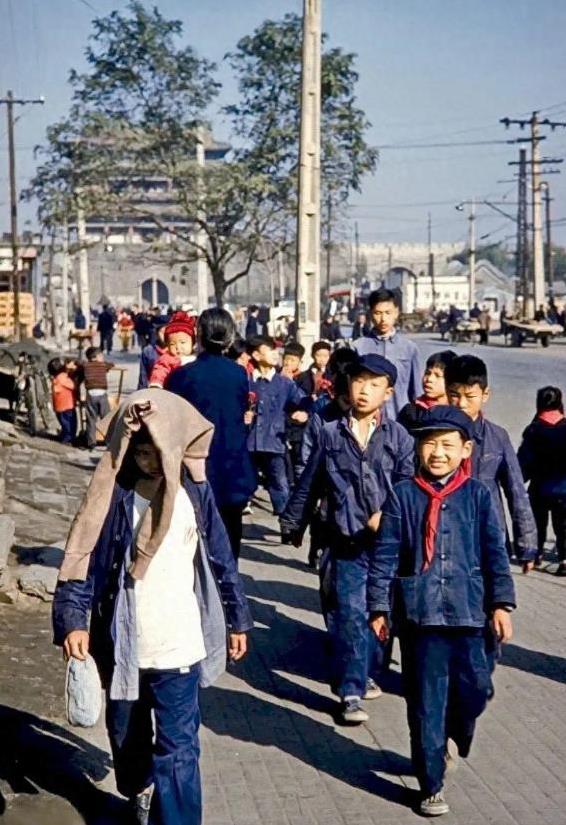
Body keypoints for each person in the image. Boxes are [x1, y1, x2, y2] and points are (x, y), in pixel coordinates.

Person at [52, 390, 252, 825]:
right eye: (142, 452)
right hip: (123, 644)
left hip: (178, 645)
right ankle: (139, 790)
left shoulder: (195, 495)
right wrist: (73, 620)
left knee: (180, 748)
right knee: (127, 737)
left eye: (159, 451)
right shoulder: (111, 497)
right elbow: (84, 560)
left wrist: (238, 618)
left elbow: (221, 557)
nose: (152, 461)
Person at [368, 405, 515, 817]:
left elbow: (495, 553)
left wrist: (501, 604)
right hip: (421, 616)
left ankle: (456, 733)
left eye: (447, 445)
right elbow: (385, 556)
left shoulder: (478, 496)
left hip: (470, 613)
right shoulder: (403, 494)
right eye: (429, 444)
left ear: (466, 450)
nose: (438, 453)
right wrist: (378, 606)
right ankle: (430, 782)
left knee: (476, 689)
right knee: (426, 703)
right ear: (418, 448)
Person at [281, 354, 415, 723]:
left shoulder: (400, 437)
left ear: (388, 393)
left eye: (375, 384)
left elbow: (408, 488)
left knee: (379, 615)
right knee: (350, 615)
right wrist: (293, 523)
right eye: (359, 382)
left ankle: (368, 670)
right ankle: (350, 692)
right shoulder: (330, 434)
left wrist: (388, 516)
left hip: (387, 547)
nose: (364, 391)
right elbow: (310, 482)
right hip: (345, 542)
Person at [167, 309, 257, 562]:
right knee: (229, 541)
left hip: (193, 467)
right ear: (229, 337)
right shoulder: (239, 374)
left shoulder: (181, 376)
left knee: (193, 541)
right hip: (232, 466)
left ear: (198, 335)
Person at [445, 355, 537, 568]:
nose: (462, 404)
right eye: (454, 395)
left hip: (489, 537)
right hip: (446, 538)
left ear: (485, 394)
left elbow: (516, 492)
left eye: (470, 396)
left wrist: (527, 545)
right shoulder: (433, 437)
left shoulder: (497, 437)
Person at [247, 335, 307, 516]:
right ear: (256, 355)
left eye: (276, 350)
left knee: (279, 482)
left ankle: (285, 519)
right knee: (245, 479)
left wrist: (304, 413)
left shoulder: (285, 383)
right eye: (270, 350)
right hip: (248, 441)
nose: (275, 354)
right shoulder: (247, 381)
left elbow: (304, 402)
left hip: (274, 441)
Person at [517, 386, 566, 575]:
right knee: (563, 526)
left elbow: (524, 461)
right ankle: (564, 560)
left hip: (539, 489)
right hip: (564, 489)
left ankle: (536, 555)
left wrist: (517, 481)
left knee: (538, 523)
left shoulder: (533, 430)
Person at [353, 288, 420, 419]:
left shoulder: (409, 348)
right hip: (368, 420)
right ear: (370, 314)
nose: (383, 319)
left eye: (388, 313)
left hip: (401, 420)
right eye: (378, 313)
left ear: (396, 312)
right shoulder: (358, 348)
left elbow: (416, 392)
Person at [398, 350, 457, 433]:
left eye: (437, 375)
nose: (429, 379)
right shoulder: (410, 412)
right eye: (427, 373)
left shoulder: (457, 412)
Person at [79, 346, 114, 450]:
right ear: (96, 357)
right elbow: (111, 364)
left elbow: (79, 364)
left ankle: (91, 442)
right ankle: (109, 441)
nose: (102, 357)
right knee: (106, 419)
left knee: (91, 419)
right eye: (101, 356)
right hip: (102, 394)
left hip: (90, 395)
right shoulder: (103, 365)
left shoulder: (85, 366)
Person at [149, 312, 196, 388]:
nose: (178, 347)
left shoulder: (198, 357)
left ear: (192, 342)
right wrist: (156, 383)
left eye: (183, 342)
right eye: (172, 344)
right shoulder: (167, 359)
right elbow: (160, 370)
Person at [48, 357, 78, 444]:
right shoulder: (62, 377)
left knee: (65, 423)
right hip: (67, 405)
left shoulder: (56, 378)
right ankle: (67, 439)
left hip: (60, 406)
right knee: (70, 424)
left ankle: (65, 436)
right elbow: (73, 386)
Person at [138, 325, 167, 390]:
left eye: (167, 332)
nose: (165, 335)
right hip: (153, 389)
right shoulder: (148, 351)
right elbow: (143, 376)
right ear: (157, 334)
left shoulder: (176, 351)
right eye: (162, 332)